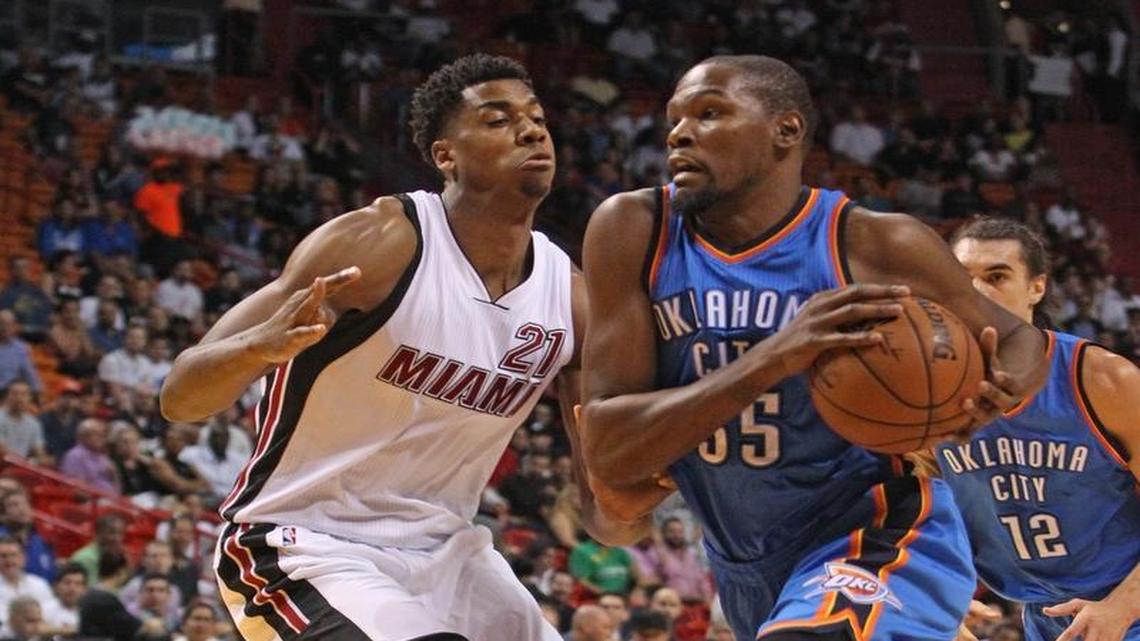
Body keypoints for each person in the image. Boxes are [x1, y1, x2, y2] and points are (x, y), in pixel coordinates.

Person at [578, 55, 1049, 641]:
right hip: (742, 562)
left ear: (787, 130)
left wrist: (999, 392)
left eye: (709, 112)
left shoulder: (875, 243)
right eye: (674, 119)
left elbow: (1020, 339)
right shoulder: (633, 229)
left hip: (881, 529)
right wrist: (775, 356)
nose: (679, 132)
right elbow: (610, 450)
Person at [160, 54, 622, 641]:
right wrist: (257, 347)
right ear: (445, 156)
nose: (531, 130)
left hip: (451, 557)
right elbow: (180, 396)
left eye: (536, 117)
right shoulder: (378, 244)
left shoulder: (570, 300)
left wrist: (641, 483)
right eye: (498, 119)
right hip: (303, 544)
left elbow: (609, 522)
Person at [926, 217, 1140, 641]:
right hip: (1042, 615)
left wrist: (1122, 607)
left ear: (1037, 288)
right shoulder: (924, 393)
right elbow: (908, 504)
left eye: (997, 276)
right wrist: (932, 588)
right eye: (963, 278)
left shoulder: (1102, 380)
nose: (978, 291)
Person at [0, 538, 53, 632]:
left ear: (24, 558)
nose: (9, 560)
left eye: (14, 555)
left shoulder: (39, 584)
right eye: (4, 556)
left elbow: (49, 616)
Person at [40, 563, 85, 636]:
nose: (72, 589)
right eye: (67, 583)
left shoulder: (90, 612)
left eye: (78, 584)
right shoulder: (45, 609)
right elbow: (37, 629)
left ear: (84, 589)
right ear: (56, 586)